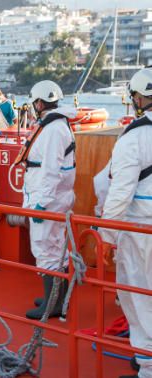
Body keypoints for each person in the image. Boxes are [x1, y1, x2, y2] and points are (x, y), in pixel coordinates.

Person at [99, 68, 152, 377]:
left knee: (139, 297)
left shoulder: (134, 137)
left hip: (140, 230)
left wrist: (106, 235)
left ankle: (147, 368)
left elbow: (120, 193)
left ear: (137, 98)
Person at [17, 80, 77, 319]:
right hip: (52, 196)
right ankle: (56, 298)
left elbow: (52, 169)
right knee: (54, 247)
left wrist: (42, 203)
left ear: (40, 103)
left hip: (49, 198)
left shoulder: (53, 129)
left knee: (44, 248)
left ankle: (52, 305)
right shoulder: (56, 125)